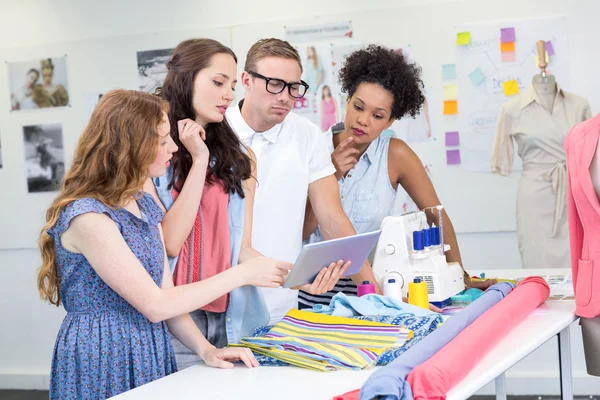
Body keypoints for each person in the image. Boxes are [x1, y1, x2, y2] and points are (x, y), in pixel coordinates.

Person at [37, 90, 287, 399]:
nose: (171, 147)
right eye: (161, 139)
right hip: (102, 355)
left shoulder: (143, 203)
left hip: (149, 348)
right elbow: (155, 305)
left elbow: (168, 298)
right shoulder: (87, 217)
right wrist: (241, 274)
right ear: (131, 145)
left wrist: (206, 350)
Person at [147, 39, 347, 368]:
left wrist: (297, 276)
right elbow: (169, 243)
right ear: (187, 80)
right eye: (217, 82)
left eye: (228, 84)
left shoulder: (239, 157)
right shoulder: (156, 152)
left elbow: (241, 247)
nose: (227, 94)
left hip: (231, 315)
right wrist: (199, 160)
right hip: (175, 318)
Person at [300, 45, 496, 308]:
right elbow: (301, 231)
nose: (363, 121)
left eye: (378, 115)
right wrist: (331, 174)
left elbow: (435, 215)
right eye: (358, 107)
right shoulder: (312, 149)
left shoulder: (396, 155)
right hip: (311, 288)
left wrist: (458, 275)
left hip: (372, 286)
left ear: (390, 121)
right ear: (347, 100)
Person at [226, 38, 380, 325]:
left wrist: (376, 296)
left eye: (294, 87)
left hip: (283, 304)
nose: (285, 96)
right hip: (219, 302)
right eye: (274, 84)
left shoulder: (306, 135)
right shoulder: (218, 131)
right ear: (246, 80)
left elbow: (332, 218)